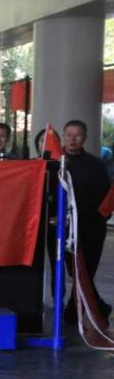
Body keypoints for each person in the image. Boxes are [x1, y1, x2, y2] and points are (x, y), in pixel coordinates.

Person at [61, 120, 111, 321]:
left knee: (86, 271)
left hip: (92, 227)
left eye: (77, 135)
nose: (72, 139)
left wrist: (101, 217)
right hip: (64, 228)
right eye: (69, 135)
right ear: (64, 136)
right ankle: (98, 308)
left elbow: (107, 195)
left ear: (85, 138)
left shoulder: (97, 165)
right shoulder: (55, 163)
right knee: (75, 272)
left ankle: (74, 312)